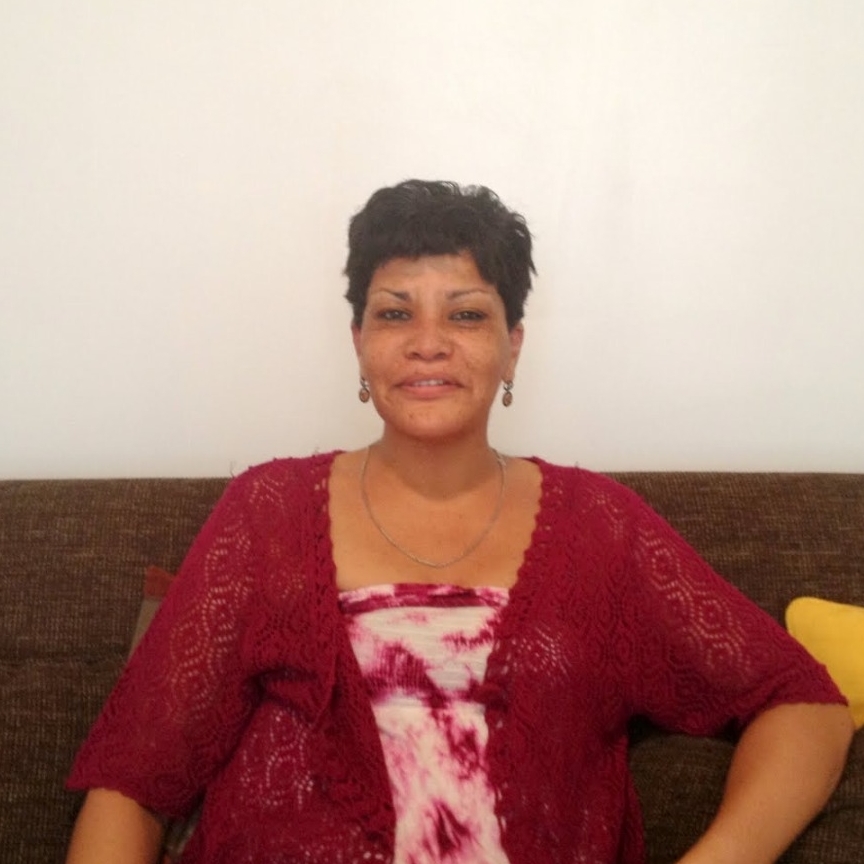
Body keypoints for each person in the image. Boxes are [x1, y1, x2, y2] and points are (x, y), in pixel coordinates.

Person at [66, 179, 853, 864]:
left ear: (513, 348)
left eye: (467, 315)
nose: (428, 344)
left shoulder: (601, 530)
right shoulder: (265, 514)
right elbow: (133, 780)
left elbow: (803, 704)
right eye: (395, 313)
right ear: (359, 343)